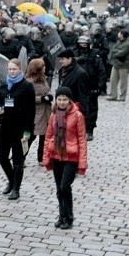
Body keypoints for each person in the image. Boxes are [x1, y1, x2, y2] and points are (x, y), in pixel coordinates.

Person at [42, 86, 88, 230]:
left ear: (69, 100)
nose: (62, 102)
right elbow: (48, 135)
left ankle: (69, 216)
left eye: (65, 99)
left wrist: (82, 162)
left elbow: (82, 139)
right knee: (58, 188)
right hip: (56, 154)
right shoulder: (54, 115)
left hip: (71, 156)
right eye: (59, 99)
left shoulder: (77, 116)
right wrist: (46, 156)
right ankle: (62, 215)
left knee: (64, 187)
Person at [0, 59, 35, 201]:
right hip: (5, 126)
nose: (11, 72)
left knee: (18, 160)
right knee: (1, 157)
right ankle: (12, 180)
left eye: (14, 69)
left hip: (20, 128)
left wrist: (28, 132)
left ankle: (16, 188)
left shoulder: (27, 86)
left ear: (20, 69)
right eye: (9, 69)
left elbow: (31, 111)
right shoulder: (4, 84)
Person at [26, 58, 53, 163]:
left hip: (46, 112)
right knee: (30, 136)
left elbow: (48, 90)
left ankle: (41, 157)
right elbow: (26, 98)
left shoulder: (43, 79)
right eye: (43, 66)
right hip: (36, 112)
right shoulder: (29, 81)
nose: (45, 68)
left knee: (44, 137)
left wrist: (50, 96)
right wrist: (40, 99)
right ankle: (21, 156)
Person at [106, 29, 129, 102]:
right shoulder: (118, 42)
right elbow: (113, 49)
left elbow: (122, 54)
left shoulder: (127, 44)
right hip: (116, 64)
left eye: (120, 33)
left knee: (123, 82)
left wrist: (117, 52)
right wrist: (117, 51)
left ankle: (122, 96)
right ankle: (113, 95)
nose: (118, 34)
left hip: (123, 65)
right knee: (113, 80)